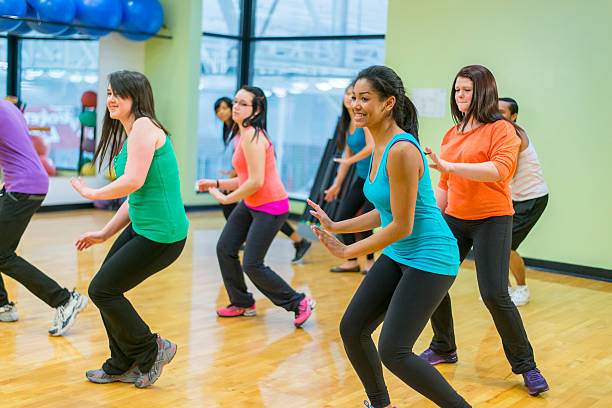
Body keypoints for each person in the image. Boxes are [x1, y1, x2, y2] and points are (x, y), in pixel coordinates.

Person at [309, 65, 470, 408]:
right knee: (352, 329)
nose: (355, 104)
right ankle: (380, 404)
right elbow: (385, 211)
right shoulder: (377, 143)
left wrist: (347, 251)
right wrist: (337, 226)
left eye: (365, 98)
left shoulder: (401, 150)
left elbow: (401, 225)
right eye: (354, 97)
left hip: (431, 257)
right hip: (400, 253)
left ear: (388, 103)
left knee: (394, 351)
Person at [420, 65, 549, 396]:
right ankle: (444, 346)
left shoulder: (502, 130)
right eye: (457, 90)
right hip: (456, 219)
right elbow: (445, 185)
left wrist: (450, 165)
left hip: (493, 218)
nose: (461, 96)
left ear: (485, 92)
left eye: (468, 90)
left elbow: (498, 171)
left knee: (494, 294)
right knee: (433, 280)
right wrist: (432, 221)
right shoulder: (452, 134)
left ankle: (527, 366)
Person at [70, 70, 188, 388]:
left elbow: (132, 181)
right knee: (105, 290)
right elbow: (136, 195)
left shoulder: (145, 127)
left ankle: (152, 349)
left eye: (118, 94)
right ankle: (121, 363)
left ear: (136, 97)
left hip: (162, 234)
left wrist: (93, 194)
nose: (110, 99)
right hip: (143, 227)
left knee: (103, 290)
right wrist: (105, 232)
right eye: (108, 92)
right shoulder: (133, 131)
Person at [197, 86, 314, 327]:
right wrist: (217, 182)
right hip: (253, 203)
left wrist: (228, 198)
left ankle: (298, 302)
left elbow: (256, 181)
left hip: (270, 206)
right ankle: (241, 302)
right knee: (225, 247)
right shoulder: (243, 134)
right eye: (235, 102)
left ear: (256, 109)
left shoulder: (253, 135)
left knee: (252, 263)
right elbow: (245, 177)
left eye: (242, 104)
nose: (235, 107)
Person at [0, 97, 87, 335]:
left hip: (23, 186)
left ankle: (64, 300)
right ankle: (3, 306)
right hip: (25, 183)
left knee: (2, 255)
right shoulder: (7, 105)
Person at [210, 97, 312, 263]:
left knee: (263, 215)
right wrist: (233, 173)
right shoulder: (233, 129)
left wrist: (233, 180)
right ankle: (298, 241)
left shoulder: (246, 131)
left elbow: (252, 159)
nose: (221, 112)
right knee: (239, 211)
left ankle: (299, 241)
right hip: (246, 179)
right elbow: (242, 158)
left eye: (224, 108)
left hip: (261, 186)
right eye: (217, 109)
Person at [498, 97, 549, 306]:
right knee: (499, 245)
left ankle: (522, 289)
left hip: (532, 199)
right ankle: (504, 290)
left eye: (501, 112)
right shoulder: (500, 132)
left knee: (507, 246)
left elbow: (507, 172)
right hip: (515, 199)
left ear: (513, 116)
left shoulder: (515, 134)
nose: (496, 115)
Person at [324, 84, 376, 274]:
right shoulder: (346, 123)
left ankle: (370, 261)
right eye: (349, 95)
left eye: (355, 96)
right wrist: (336, 185)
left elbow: (371, 147)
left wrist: (350, 160)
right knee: (343, 217)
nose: (351, 99)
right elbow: (347, 154)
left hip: (376, 177)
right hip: (362, 177)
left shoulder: (365, 120)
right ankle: (351, 261)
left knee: (365, 221)